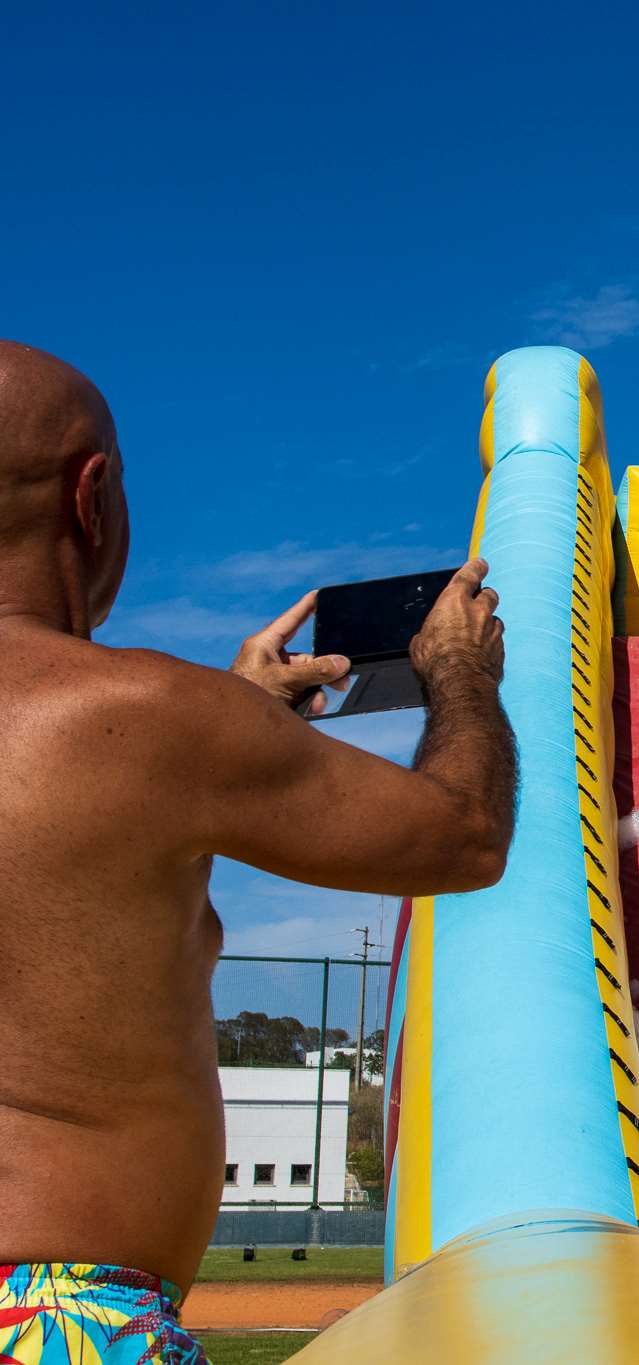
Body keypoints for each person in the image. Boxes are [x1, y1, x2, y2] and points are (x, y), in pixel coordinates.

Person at [0, 342, 516, 1363]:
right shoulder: (150, 717)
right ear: (91, 497)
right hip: (50, 1307)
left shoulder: (167, 731)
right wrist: (459, 674)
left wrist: (233, 721)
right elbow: (459, 836)